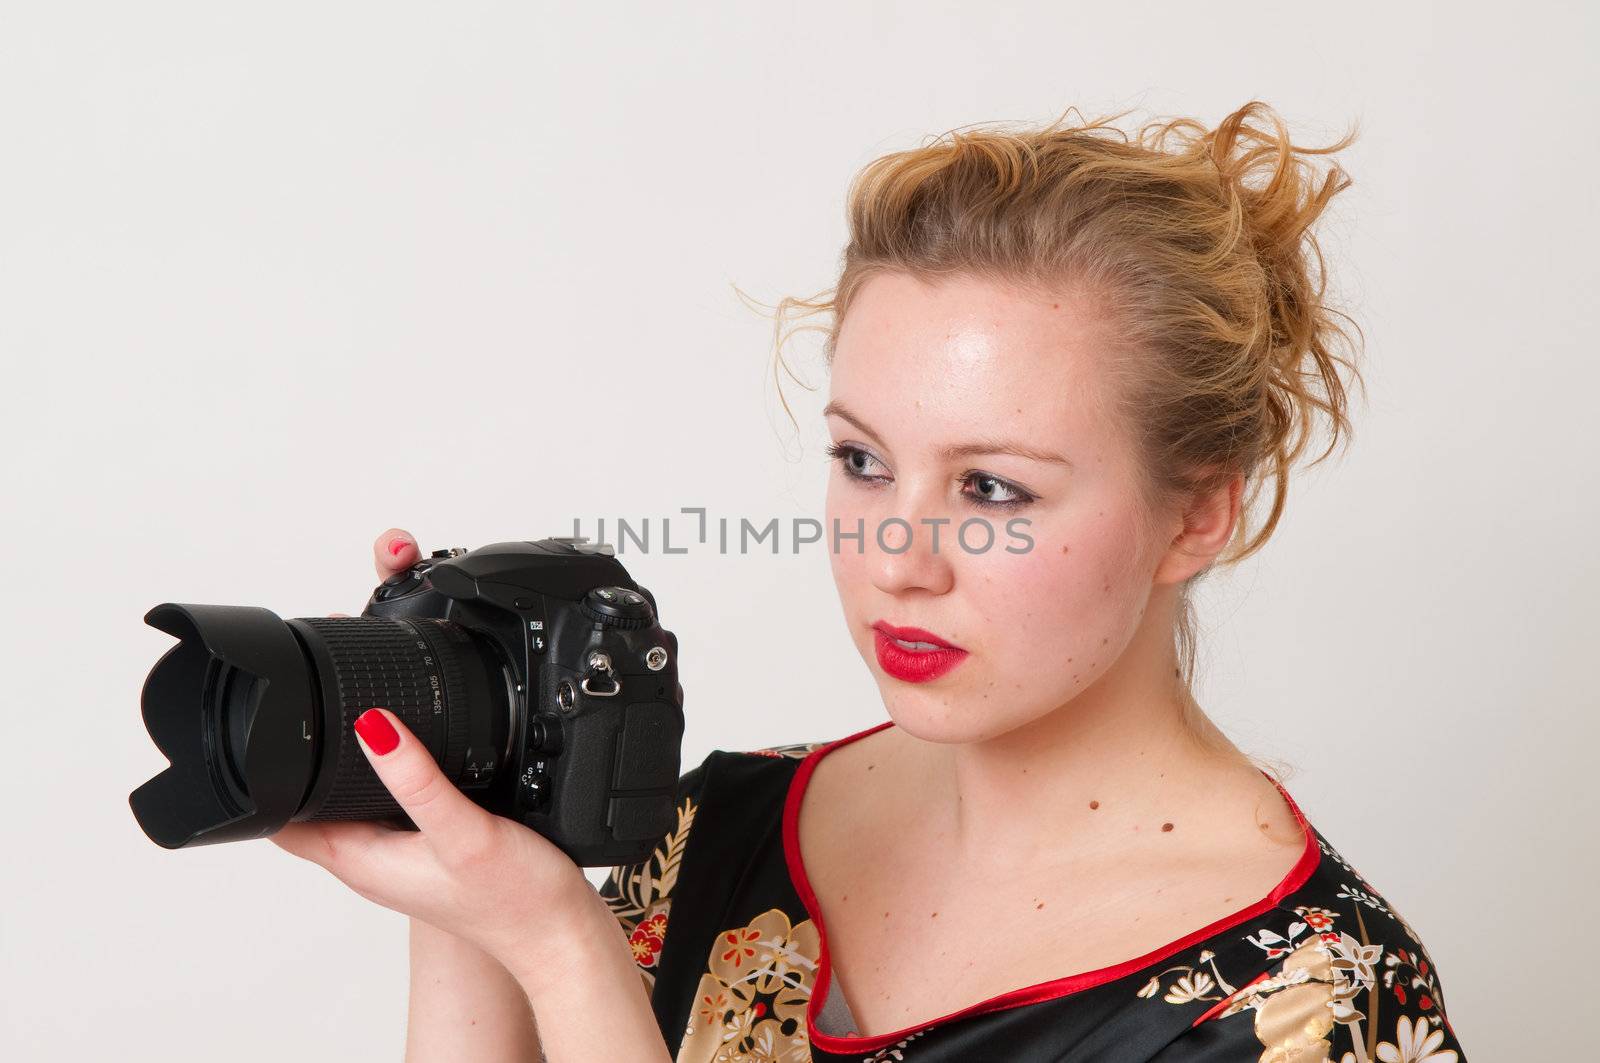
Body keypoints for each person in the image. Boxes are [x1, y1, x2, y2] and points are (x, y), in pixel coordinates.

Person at [274, 100, 1466, 1062]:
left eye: (993, 487)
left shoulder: (1312, 1004)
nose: (896, 559)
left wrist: (565, 950)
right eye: (861, 461)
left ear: (1198, 512)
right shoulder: (716, 830)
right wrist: (452, 814)